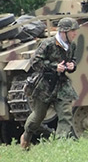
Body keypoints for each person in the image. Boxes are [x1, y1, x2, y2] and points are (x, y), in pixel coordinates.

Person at [20, 17, 79, 149]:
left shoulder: (72, 45)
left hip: (62, 85)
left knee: (66, 115)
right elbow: (35, 62)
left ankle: (61, 145)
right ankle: (26, 136)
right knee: (38, 117)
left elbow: (73, 59)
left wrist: (72, 65)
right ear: (64, 32)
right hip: (45, 85)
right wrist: (54, 67)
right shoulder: (47, 44)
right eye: (72, 31)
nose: (75, 34)